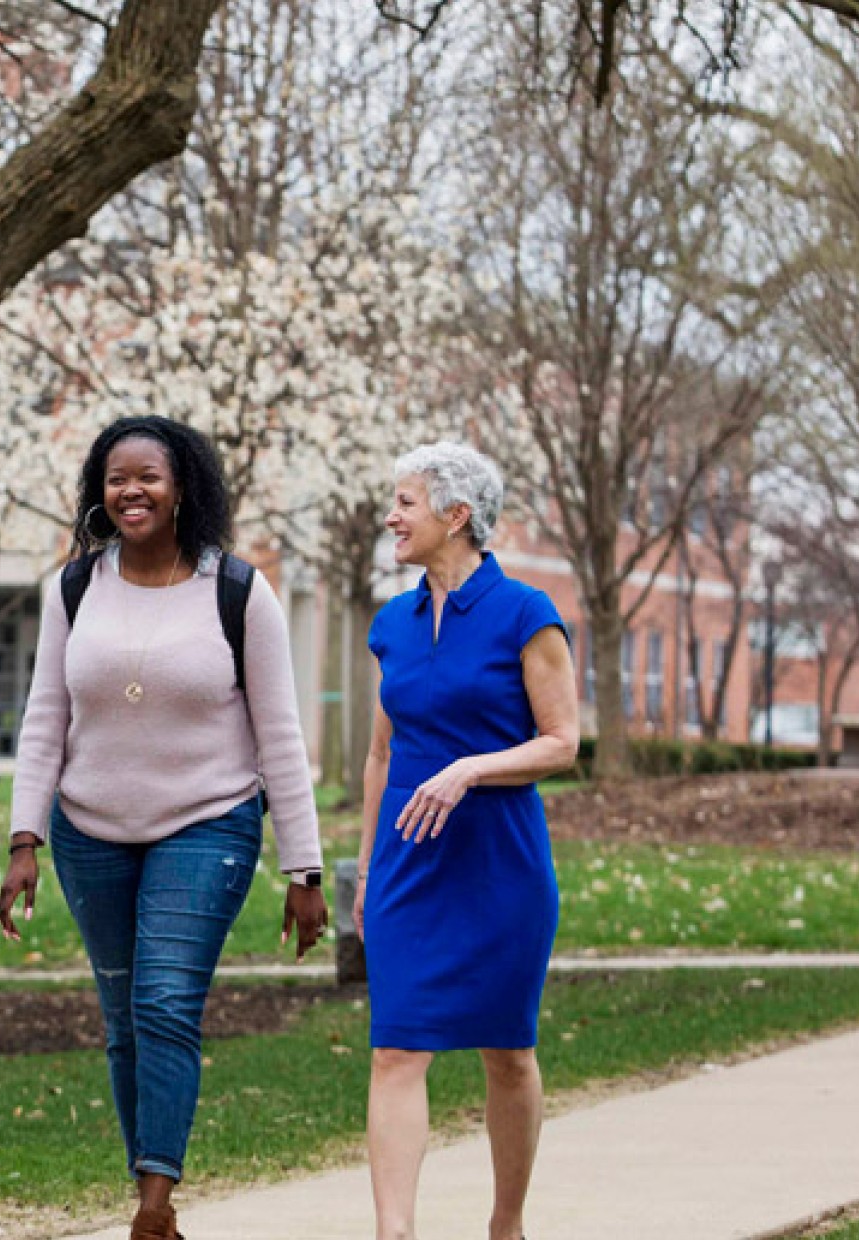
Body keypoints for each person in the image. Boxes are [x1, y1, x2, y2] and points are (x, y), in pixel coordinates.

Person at [0, 415, 330, 1240]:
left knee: (166, 1003)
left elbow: (281, 733)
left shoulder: (239, 592)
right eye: (116, 478)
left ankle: (153, 1206)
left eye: (148, 476)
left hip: (206, 823)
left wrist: (306, 869)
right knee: (123, 1022)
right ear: (97, 492)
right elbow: (44, 718)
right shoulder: (72, 586)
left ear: (184, 485)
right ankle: (152, 1191)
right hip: (87, 829)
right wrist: (23, 840)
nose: (130, 491)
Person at [356, 443, 580, 1240]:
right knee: (396, 1050)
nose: (391, 516)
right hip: (409, 865)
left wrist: (471, 769)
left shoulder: (526, 613)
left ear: (457, 516)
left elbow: (563, 742)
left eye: (406, 502)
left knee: (507, 1053)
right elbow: (382, 751)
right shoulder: (394, 622)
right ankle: (395, 1231)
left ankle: (506, 1224)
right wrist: (368, 863)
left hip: (500, 866)